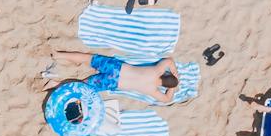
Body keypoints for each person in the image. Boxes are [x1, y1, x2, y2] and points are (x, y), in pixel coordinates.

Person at [47, 52, 198, 104]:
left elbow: (170, 61)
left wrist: (176, 74)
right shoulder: (152, 90)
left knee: (88, 59)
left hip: (118, 68)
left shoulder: (156, 70)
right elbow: (167, 100)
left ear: (166, 74)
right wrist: (172, 88)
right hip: (114, 82)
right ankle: (56, 84)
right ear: (164, 86)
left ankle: (59, 55)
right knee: (83, 85)